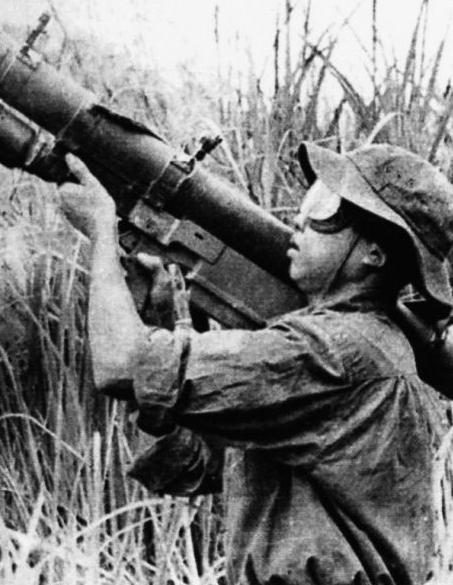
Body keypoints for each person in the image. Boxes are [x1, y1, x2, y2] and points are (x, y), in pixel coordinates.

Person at [59, 142, 453, 585]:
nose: (300, 221)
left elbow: (118, 363)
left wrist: (101, 235)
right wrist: (159, 317)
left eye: (326, 209)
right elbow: (197, 465)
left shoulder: (336, 350)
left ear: (374, 254)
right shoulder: (360, 345)